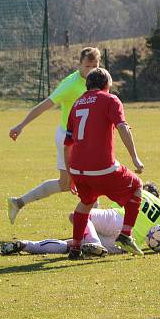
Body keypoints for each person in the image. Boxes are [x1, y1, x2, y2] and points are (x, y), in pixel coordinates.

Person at [7, 47, 101, 223]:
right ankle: (96, 226)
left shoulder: (99, 79)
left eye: (95, 65)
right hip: (69, 138)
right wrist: (21, 125)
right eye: (88, 66)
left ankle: (17, 203)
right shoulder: (71, 84)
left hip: (83, 139)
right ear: (80, 64)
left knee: (65, 184)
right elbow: (45, 105)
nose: (92, 70)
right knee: (90, 181)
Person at [65, 67, 146, 259]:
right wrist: (135, 157)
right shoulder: (110, 99)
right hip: (102, 168)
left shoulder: (76, 104)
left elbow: (67, 145)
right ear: (107, 85)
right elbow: (122, 127)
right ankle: (126, 235)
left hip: (78, 169)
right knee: (137, 186)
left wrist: (71, 175)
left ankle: (75, 248)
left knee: (86, 203)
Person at [0, 182, 160, 256]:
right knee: (72, 245)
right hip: (126, 244)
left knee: (77, 217)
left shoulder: (137, 191)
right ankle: (24, 246)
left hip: (116, 220)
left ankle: (26, 244)